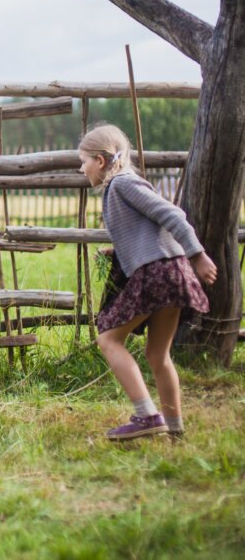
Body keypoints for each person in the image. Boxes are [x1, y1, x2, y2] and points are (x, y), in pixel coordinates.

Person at [79, 123, 217, 441]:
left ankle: (147, 416)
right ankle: (175, 429)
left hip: (157, 274)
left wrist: (197, 255)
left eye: (84, 159)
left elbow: (172, 215)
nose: (81, 167)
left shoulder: (123, 184)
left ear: (100, 160)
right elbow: (148, 231)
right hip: (170, 273)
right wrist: (118, 249)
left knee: (109, 339)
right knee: (158, 355)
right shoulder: (123, 187)